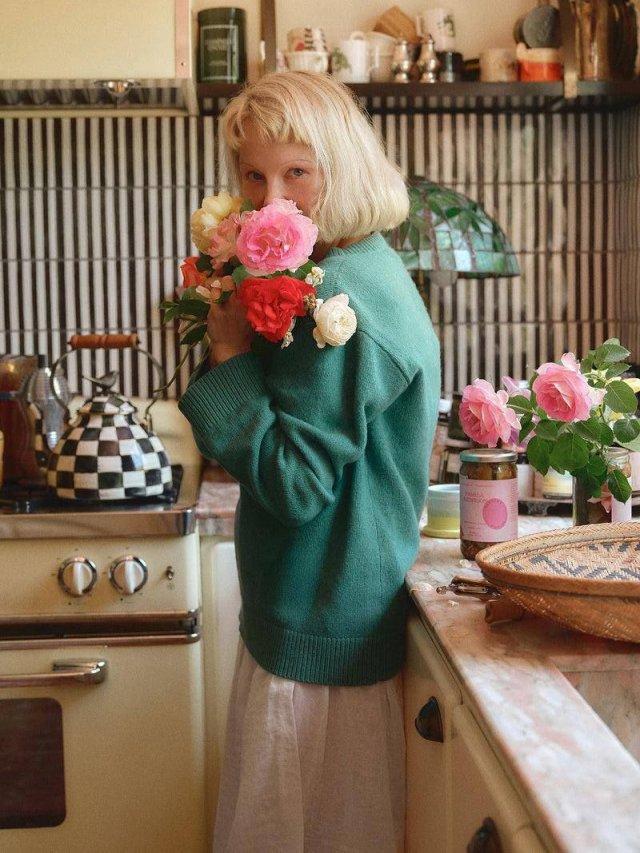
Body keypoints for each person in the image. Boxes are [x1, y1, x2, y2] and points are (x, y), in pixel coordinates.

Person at [178, 71, 440, 852]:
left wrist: (229, 354)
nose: (273, 201)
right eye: (253, 177)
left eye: (297, 171)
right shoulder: (350, 267)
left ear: (343, 166)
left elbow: (293, 483)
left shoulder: (344, 302)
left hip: (320, 634)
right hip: (319, 618)